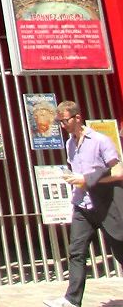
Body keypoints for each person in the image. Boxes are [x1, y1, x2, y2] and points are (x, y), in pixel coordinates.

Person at [44, 101, 123, 307]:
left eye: (65, 121)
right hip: (82, 204)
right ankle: (72, 300)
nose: (63, 126)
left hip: (105, 204)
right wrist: (74, 180)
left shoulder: (100, 141)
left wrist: (87, 179)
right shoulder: (70, 144)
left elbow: (118, 171)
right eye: (60, 122)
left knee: (120, 250)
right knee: (76, 251)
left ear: (78, 117)